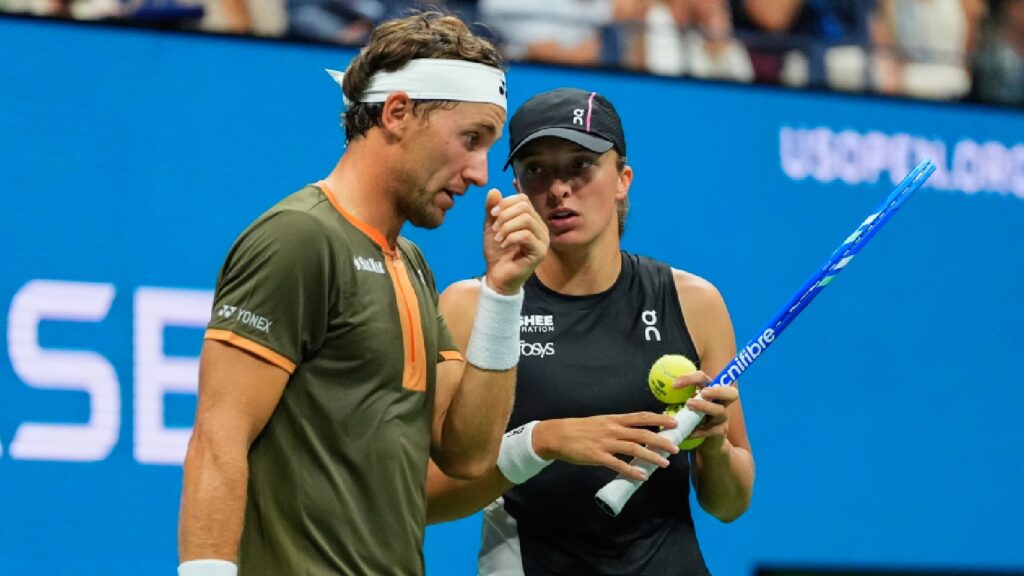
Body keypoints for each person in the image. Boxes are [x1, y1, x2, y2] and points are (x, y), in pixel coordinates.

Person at [177, 11, 549, 576]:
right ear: (398, 113)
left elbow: (467, 453)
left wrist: (503, 293)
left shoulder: (413, 264)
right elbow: (217, 437)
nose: (479, 174)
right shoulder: (299, 238)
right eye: (470, 139)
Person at [426, 88, 755, 575]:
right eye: (536, 170)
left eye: (581, 165)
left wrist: (712, 445)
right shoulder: (472, 308)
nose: (558, 189)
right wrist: (543, 441)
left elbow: (729, 504)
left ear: (622, 179)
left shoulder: (695, 303)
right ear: (516, 186)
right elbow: (427, 498)